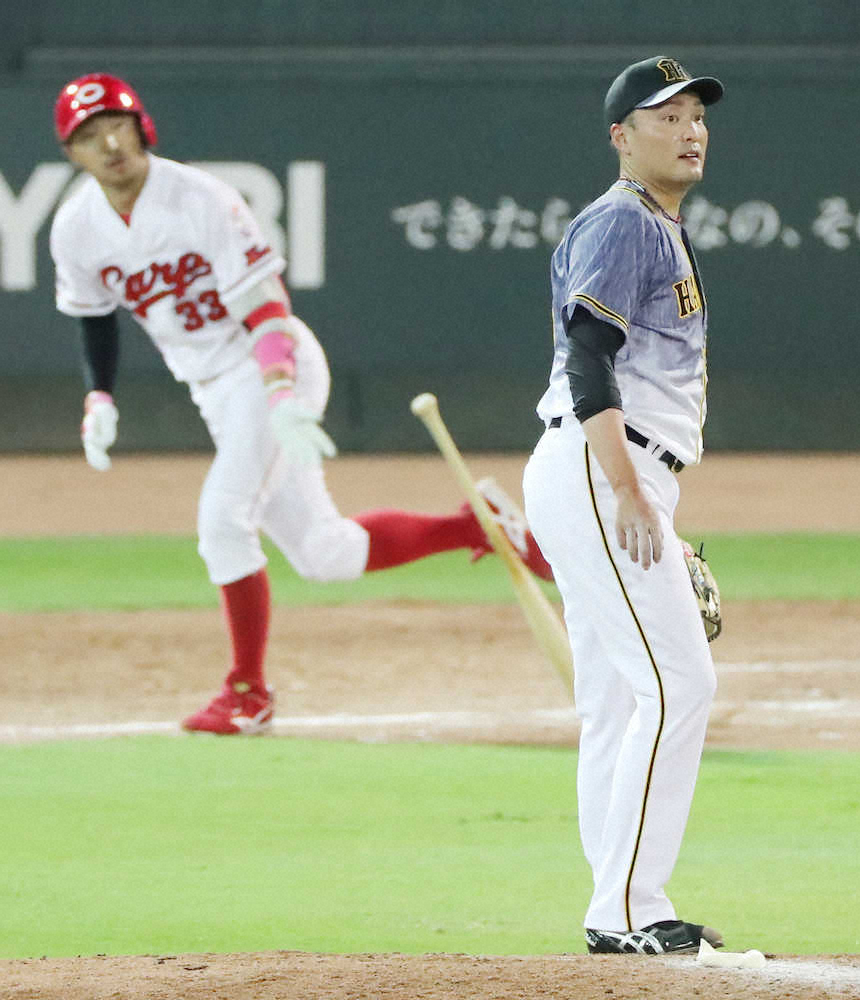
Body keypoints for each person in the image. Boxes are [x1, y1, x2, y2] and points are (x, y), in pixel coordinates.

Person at [50, 72, 552, 736]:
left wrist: (281, 392)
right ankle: (476, 526)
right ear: (73, 153)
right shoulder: (75, 227)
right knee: (324, 554)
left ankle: (247, 693)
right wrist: (99, 395)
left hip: (268, 366)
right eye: (90, 135)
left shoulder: (201, 199)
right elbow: (94, 317)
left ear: (142, 126)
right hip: (213, 388)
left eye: (117, 124)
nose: (110, 144)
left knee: (222, 520)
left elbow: (265, 307)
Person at [522, 56, 725, 954]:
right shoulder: (621, 221)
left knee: (614, 698)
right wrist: (629, 490)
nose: (689, 130)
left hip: (600, 468)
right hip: (603, 464)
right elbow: (587, 354)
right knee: (679, 685)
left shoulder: (654, 224)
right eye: (664, 116)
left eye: (695, 115)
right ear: (620, 136)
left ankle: (617, 904)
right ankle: (630, 908)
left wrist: (636, 491)